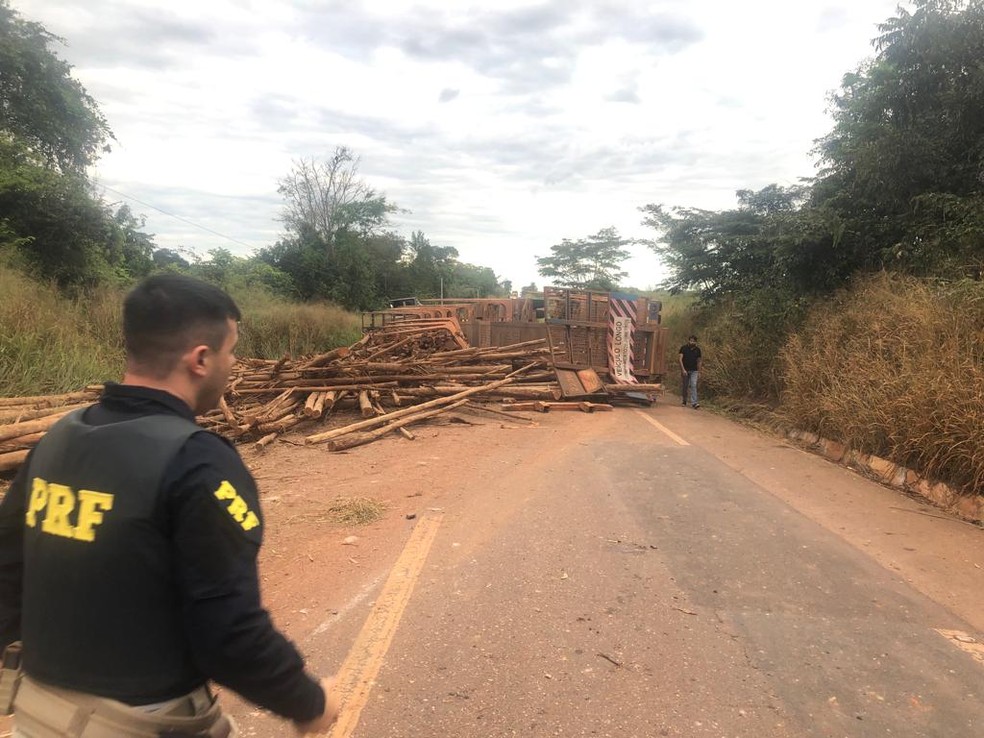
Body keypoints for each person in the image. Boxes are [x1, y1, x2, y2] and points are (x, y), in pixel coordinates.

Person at [0, 274, 339, 736]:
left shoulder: (59, 439)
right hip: (138, 723)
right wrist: (309, 702)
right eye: (230, 352)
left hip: (36, 716)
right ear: (200, 359)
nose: (233, 364)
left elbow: (7, 572)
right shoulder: (196, 461)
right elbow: (229, 632)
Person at [678, 334, 702, 409]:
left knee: (693, 385)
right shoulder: (683, 348)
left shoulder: (698, 350)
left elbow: (699, 361)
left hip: (694, 370)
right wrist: (683, 369)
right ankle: (684, 401)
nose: (692, 342)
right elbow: (680, 359)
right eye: (691, 341)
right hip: (685, 370)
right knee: (685, 386)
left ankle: (694, 403)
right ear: (688, 341)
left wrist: (699, 372)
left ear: (696, 342)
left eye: (693, 341)